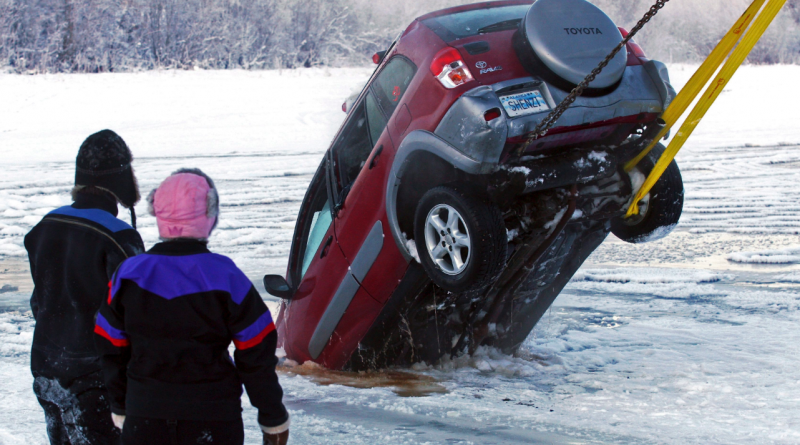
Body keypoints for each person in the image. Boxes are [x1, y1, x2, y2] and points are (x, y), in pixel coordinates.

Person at [94, 168, 290, 445]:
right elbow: (256, 353)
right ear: (210, 213)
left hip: (145, 415)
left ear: (158, 212)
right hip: (213, 416)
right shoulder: (226, 276)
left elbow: (110, 345)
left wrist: (120, 404)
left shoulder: (128, 275)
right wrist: (272, 417)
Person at [24, 129, 144, 444]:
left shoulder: (44, 227)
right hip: (95, 380)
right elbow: (138, 314)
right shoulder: (119, 237)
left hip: (47, 368)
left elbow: (41, 302)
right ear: (120, 180)